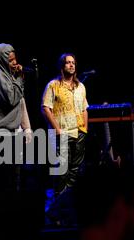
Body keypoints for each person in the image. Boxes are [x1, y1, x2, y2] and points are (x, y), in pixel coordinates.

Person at [0, 43, 33, 234]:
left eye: (14, 58)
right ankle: (1, 216)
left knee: (13, 178)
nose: (14, 63)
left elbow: (19, 103)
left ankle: (11, 214)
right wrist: (20, 80)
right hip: (0, 134)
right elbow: (12, 99)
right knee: (4, 178)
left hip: (11, 134)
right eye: (10, 59)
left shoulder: (8, 76)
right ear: (2, 59)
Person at [41, 53, 88, 196]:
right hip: (60, 133)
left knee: (75, 168)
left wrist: (85, 128)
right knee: (61, 169)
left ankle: (70, 199)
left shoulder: (80, 86)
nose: (71, 65)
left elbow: (84, 108)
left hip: (78, 131)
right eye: (68, 62)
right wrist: (57, 129)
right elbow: (45, 108)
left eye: (73, 62)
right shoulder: (53, 85)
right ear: (62, 66)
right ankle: (59, 201)